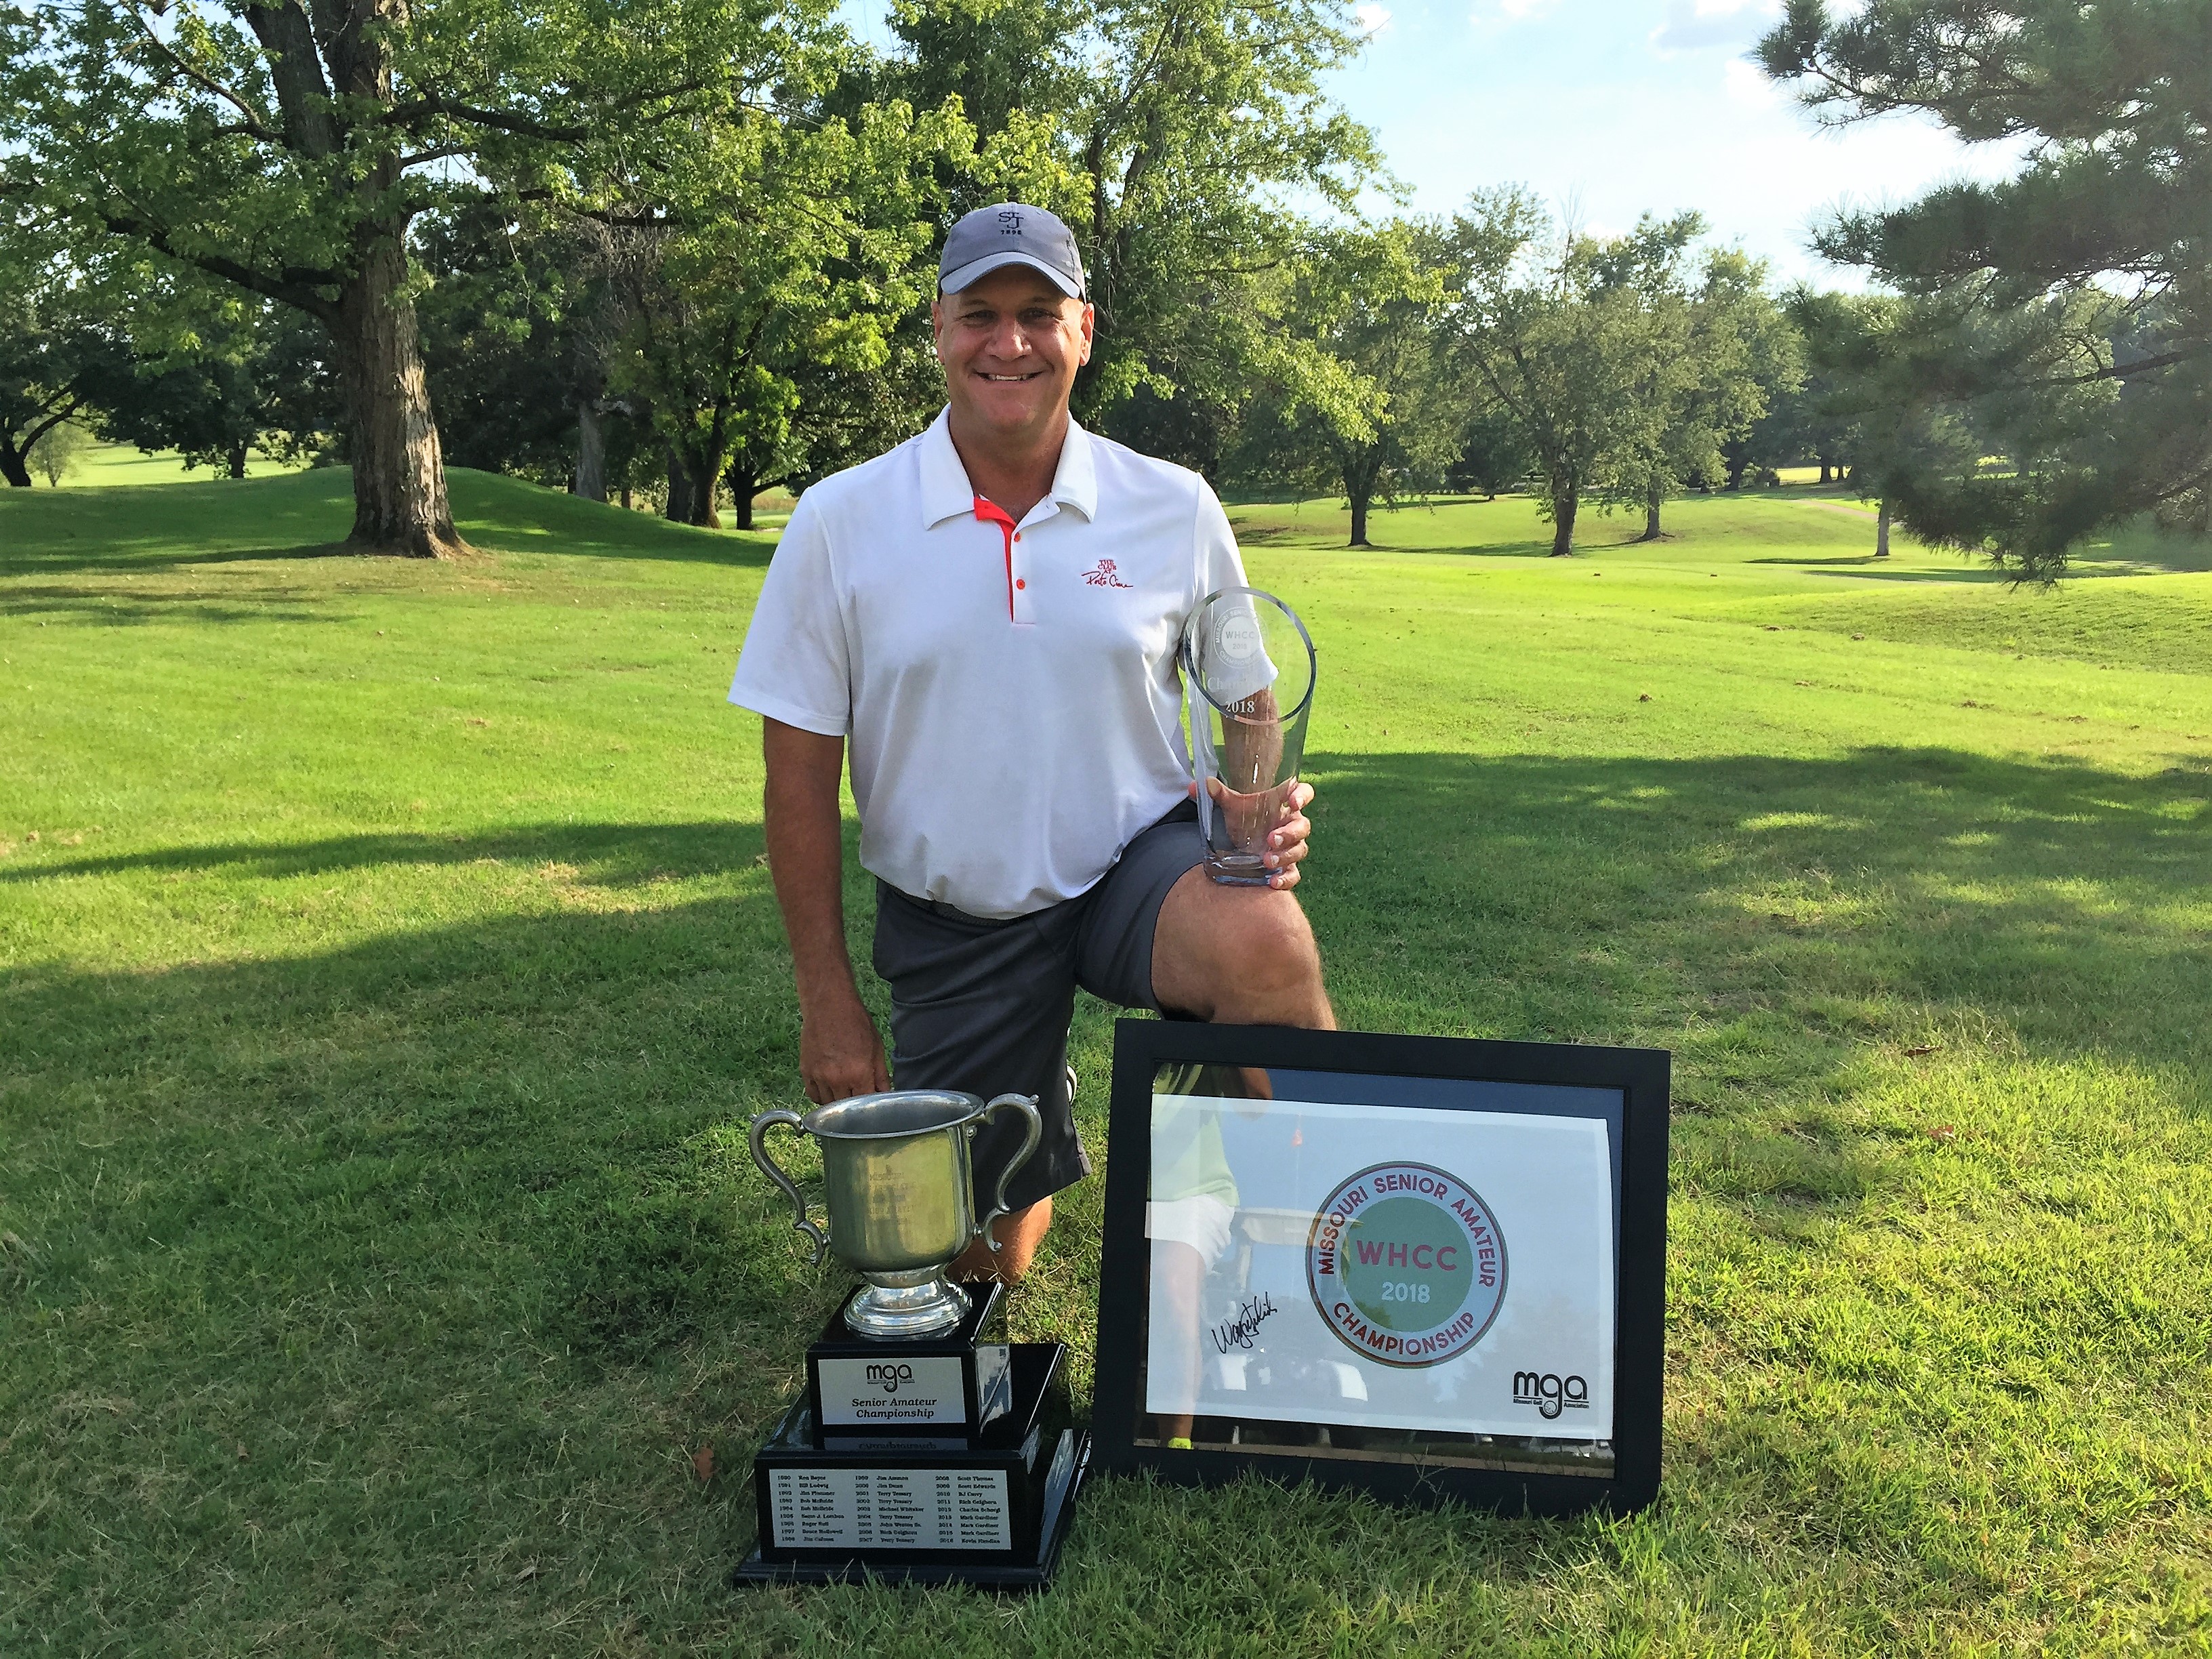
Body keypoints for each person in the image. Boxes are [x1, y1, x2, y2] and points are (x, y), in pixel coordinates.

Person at [727, 201, 1334, 1284]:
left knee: (1268, 943)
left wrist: (1249, 810)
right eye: (981, 316)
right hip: (958, 914)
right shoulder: (839, 520)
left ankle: (1340, 1233)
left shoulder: (1175, 506)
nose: (1009, 344)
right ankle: (1029, 1106)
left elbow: (1247, 701)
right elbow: (798, 780)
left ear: (1083, 331)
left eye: (1038, 315)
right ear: (938, 329)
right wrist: (828, 1000)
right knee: (971, 1268)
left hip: (1132, 868)